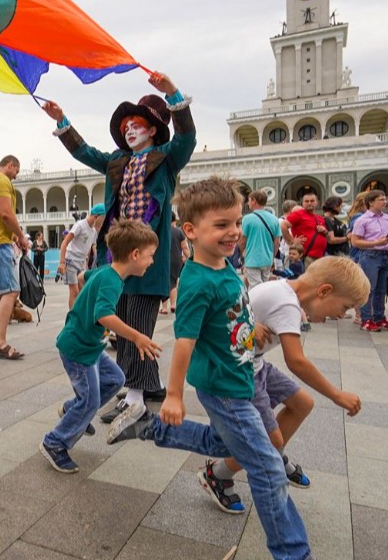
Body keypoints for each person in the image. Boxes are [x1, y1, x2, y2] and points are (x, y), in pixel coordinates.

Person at [103, 176, 313, 560]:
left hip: (238, 379)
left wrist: (252, 326)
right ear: (190, 231)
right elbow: (184, 341)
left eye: (235, 222)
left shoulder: (224, 266)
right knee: (267, 468)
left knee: (223, 443)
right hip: (223, 388)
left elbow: (231, 311)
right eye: (221, 225)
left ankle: (150, 427)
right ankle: (293, 553)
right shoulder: (198, 281)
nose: (233, 232)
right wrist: (173, 395)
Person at [42, 71, 195, 420]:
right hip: (120, 253)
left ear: (153, 130)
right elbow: (85, 151)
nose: (129, 130)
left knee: (138, 324)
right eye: (125, 125)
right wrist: (62, 121)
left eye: (136, 124)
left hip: (148, 256)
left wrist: (172, 92)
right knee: (123, 323)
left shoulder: (166, 158)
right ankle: (142, 386)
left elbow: (187, 135)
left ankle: (136, 398)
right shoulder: (117, 162)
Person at [194, 256, 368, 514]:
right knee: (271, 441)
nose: (342, 315)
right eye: (344, 307)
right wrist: (337, 395)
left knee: (302, 403)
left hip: (256, 363)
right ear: (324, 291)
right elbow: (296, 361)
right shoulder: (287, 304)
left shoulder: (282, 288)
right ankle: (218, 474)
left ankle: (275, 453)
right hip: (239, 372)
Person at [39, 220, 162, 472]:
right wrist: (137, 336)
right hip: (79, 348)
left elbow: (84, 277)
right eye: (150, 256)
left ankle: (72, 410)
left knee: (115, 378)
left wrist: (85, 301)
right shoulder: (112, 280)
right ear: (135, 254)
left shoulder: (107, 272)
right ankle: (55, 442)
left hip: (90, 345)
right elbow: (104, 315)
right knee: (90, 400)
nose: (152, 262)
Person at [0, 155, 31, 359]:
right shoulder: (2, 180)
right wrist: (21, 237)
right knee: (11, 291)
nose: (16, 176)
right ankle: (0, 342)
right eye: (16, 171)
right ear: (10, 165)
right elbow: (6, 213)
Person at [350, 190, 388, 332]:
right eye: (381, 199)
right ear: (371, 202)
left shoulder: (387, 218)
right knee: (369, 289)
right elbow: (355, 242)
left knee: (381, 289)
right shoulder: (362, 220)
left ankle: (379, 317)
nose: (384, 201)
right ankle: (366, 319)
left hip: (385, 255)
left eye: (385, 199)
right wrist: (375, 243)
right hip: (370, 255)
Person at [58, 204, 105, 310]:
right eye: (102, 221)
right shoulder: (80, 225)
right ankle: (73, 318)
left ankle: (80, 314)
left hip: (82, 262)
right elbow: (65, 242)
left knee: (83, 290)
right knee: (74, 291)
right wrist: (62, 262)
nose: (102, 225)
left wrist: (89, 261)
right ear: (96, 217)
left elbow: (91, 246)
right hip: (71, 260)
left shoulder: (93, 231)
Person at [240, 190, 281, 288]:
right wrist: (272, 256)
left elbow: (242, 240)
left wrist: (243, 252)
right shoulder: (274, 218)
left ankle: (257, 303)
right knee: (265, 285)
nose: (248, 203)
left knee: (255, 286)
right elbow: (277, 242)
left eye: (249, 200)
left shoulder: (247, 219)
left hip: (252, 259)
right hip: (267, 259)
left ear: (254, 201)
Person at [285, 192, 328, 267]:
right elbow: (283, 226)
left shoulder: (320, 218)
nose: (309, 203)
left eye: (312, 201)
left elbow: (327, 235)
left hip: (320, 256)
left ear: (317, 203)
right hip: (307, 256)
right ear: (302, 203)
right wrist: (291, 241)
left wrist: (324, 231)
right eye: (306, 201)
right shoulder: (298, 214)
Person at [161, 215, 189, 314]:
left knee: (164, 282)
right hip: (176, 260)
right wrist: (189, 258)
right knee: (173, 281)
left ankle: (164, 307)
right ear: (173, 221)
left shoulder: (161, 231)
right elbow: (184, 247)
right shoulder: (179, 232)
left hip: (163, 259)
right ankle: (173, 305)